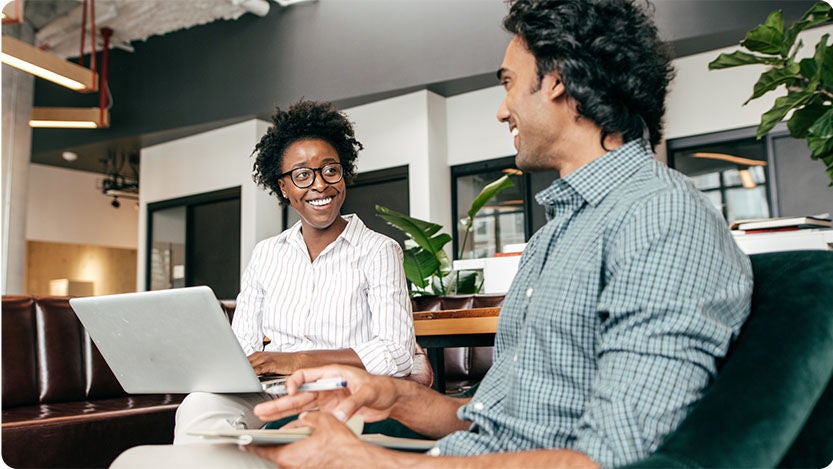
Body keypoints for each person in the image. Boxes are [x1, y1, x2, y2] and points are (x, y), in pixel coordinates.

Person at [243, 1, 753, 467]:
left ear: (557, 81)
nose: (502, 109)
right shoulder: (556, 236)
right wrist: (388, 395)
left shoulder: (660, 219)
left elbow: (612, 456)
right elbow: (494, 418)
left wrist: (380, 463)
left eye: (509, 82)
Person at [173, 100, 416, 444]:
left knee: (298, 430)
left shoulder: (379, 250)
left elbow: (396, 353)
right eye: (302, 175)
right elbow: (244, 344)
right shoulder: (267, 254)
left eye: (330, 170)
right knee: (199, 408)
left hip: (341, 392)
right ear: (284, 187)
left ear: (344, 173)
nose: (319, 185)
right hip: (271, 391)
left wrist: (296, 361)